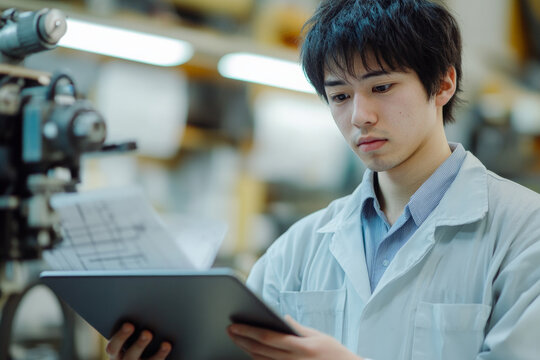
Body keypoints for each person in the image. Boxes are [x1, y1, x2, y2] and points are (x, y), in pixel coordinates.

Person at [106, 0, 540, 359]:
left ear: (443, 84)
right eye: (339, 96)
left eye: (382, 87)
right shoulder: (296, 250)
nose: (360, 116)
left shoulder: (524, 231)